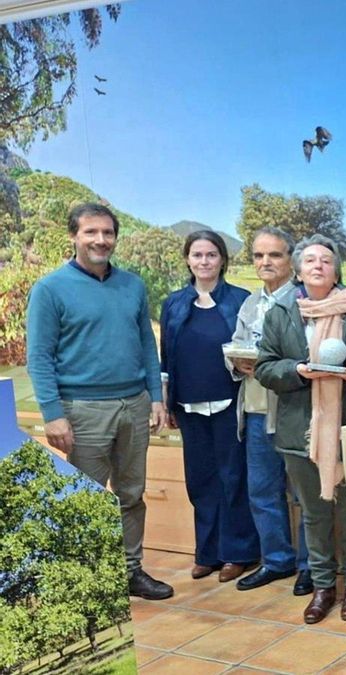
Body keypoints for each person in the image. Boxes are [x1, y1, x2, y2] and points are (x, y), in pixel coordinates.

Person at [26, 202, 174, 600]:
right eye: (91, 232)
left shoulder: (132, 286)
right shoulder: (50, 290)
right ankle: (87, 581)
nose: (100, 240)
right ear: (74, 235)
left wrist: (156, 398)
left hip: (134, 404)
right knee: (87, 497)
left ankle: (130, 571)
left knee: (131, 493)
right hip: (82, 411)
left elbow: (146, 344)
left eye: (107, 233)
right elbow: (38, 357)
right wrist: (52, 415)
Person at [256, 234, 346, 624]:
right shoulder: (282, 313)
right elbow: (265, 367)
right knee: (312, 514)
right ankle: (323, 586)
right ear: (297, 270)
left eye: (326, 260)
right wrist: (297, 370)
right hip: (301, 433)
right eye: (310, 260)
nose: (318, 265)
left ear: (336, 269)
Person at [160, 231, 258, 583]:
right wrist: (167, 401)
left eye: (211, 255)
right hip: (188, 405)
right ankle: (208, 553)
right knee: (200, 481)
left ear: (222, 260)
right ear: (188, 259)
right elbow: (166, 357)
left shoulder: (241, 300)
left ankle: (238, 553)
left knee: (234, 478)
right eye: (197, 255)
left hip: (230, 403)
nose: (204, 261)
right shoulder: (173, 303)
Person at [225, 227, 312, 595]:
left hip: (294, 412)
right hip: (256, 410)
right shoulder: (249, 303)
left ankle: (312, 565)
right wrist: (238, 365)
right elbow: (238, 348)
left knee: (306, 494)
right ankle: (276, 560)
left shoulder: (305, 301)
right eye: (259, 255)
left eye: (274, 255)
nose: (265, 262)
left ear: (291, 259)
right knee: (262, 491)